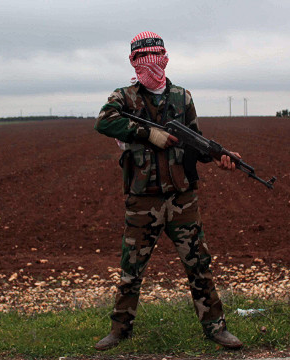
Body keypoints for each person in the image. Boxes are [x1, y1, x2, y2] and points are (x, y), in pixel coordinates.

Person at [93, 31, 243, 351]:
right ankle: (120, 330)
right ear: (134, 61)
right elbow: (105, 122)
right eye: (143, 60)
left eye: (155, 59)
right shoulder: (124, 98)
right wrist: (149, 133)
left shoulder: (182, 98)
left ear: (164, 58)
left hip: (181, 197)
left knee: (199, 265)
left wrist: (219, 157)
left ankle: (215, 327)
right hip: (142, 198)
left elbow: (195, 140)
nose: (151, 67)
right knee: (131, 269)